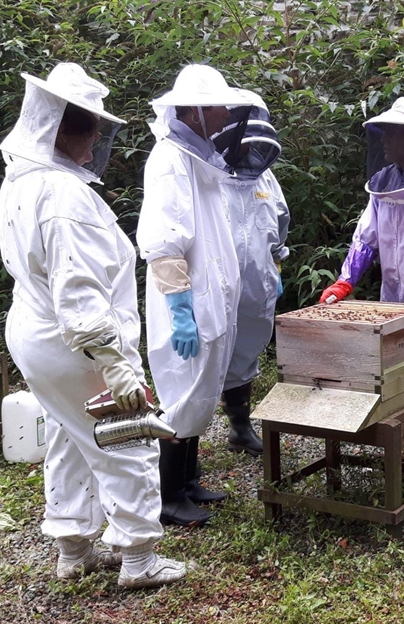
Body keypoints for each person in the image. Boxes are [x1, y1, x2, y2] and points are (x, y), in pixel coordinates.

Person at [0, 63, 187, 589]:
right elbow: (76, 288)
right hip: (75, 345)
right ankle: (140, 559)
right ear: (61, 129)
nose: (97, 137)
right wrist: (114, 362)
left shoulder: (22, 180)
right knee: (126, 439)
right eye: (90, 126)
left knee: (70, 437)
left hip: (38, 338)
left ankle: (73, 549)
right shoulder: (61, 195)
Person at [137, 64, 253, 525]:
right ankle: (167, 498)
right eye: (220, 104)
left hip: (208, 301)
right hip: (185, 304)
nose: (227, 113)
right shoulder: (168, 159)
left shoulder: (197, 157)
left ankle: (187, 482)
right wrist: (180, 309)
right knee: (182, 394)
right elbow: (165, 239)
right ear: (196, 110)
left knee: (200, 391)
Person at [318, 96, 404, 373]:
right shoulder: (384, 184)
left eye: (393, 133)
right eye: (385, 133)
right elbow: (365, 239)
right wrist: (345, 281)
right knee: (398, 370)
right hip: (393, 296)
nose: (385, 140)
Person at [212, 89, 290, 456]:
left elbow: (280, 222)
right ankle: (185, 448)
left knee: (246, 353)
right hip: (217, 285)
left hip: (258, 282)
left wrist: (277, 266)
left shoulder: (265, 176)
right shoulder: (207, 172)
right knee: (208, 359)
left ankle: (239, 429)